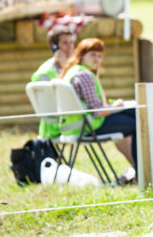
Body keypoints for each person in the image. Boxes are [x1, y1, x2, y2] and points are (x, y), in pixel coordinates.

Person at [58, 38, 137, 173]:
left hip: (75, 126)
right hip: (88, 126)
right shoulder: (85, 75)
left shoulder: (73, 70)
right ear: (81, 55)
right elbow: (97, 112)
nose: (97, 59)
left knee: (134, 112)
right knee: (138, 122)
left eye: (100, 56)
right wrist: (116, 106)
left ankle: (137, 170)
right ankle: (142, 172)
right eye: (93, 54)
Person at [30, 25, 74, 138]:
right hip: (57, 127)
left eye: (71, 42)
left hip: (71, 121)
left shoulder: (74, 66)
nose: (70, 47)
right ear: (55, 47)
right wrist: (64, 69)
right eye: (65, 43)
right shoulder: (44, 73)